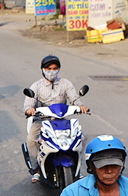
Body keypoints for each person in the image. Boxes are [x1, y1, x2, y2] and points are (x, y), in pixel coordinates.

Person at [24, 54, 88, 182]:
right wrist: (29, 110)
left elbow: (74, 99)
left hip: (63, 120)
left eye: (54, 68)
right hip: (42, 121)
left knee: (80, 137)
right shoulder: (36, 86)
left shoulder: (65, 83)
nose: (51, 71)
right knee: (31, 139)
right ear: (43, 69)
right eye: (49, 68)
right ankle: (36, 169)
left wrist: (81, 106)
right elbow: (28, 104)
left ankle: (77, 168)